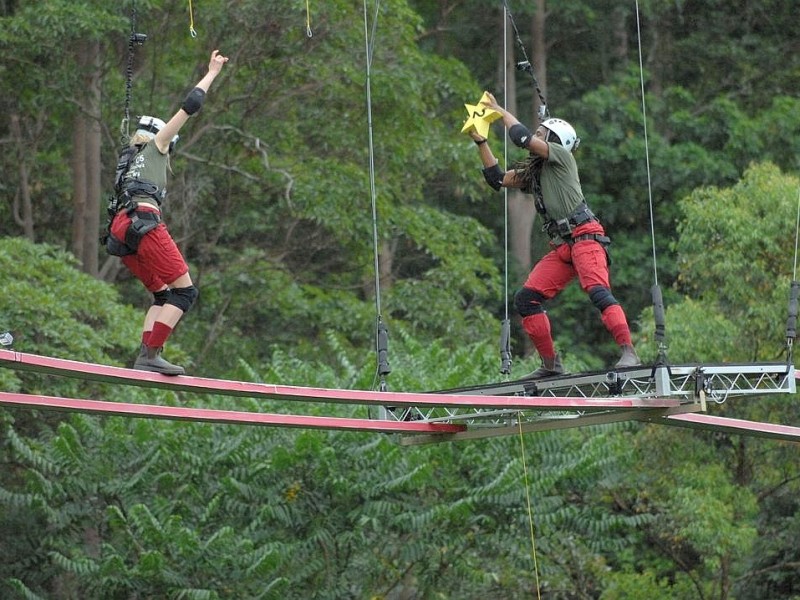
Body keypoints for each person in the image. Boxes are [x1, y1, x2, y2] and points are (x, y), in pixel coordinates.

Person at [471, 92, 640, 378]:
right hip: (563, 246)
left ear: (554, 139)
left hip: (585, 237)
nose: (535, 137)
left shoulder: (562, 157)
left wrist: (499, 111)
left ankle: (628, 351)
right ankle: (551, 365)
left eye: (542, 133)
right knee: (525, 299)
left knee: (598, 292)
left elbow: (521, 137)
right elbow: (497, 179)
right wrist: (481, 142)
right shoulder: (536, 173)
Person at [107, 49, 229, 375]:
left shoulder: (128, 158)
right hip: (144, 223)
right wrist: (212, 72)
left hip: (122, 228)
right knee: (186, 292)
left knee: (162, 297)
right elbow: (190, 106)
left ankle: (145, 356)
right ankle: (150, 355)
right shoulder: (156, 147)